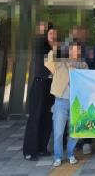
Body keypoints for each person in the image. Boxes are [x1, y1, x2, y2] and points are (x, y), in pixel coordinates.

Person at [45, 41, 88, 167]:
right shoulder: (60, 62)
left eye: (77, 49)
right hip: (61, 101)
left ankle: (70, 154)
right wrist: (56, 47)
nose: (75, 52)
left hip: (76, 102)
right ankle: (58, 156)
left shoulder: (83, 64)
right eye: (72, 49)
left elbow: (88, 79)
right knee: (58, 132)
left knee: (74, 131)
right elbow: (48, 60)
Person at [23, 22, 57, 161]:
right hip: (39, 84)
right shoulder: (40, 45)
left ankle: (42, 148)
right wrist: (45, 26)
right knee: (35, 117)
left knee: (47, 117)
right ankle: (29, 151)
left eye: (54, 33)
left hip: (51, 85)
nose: (53, 35)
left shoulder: (55, 48)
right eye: (50, 33)